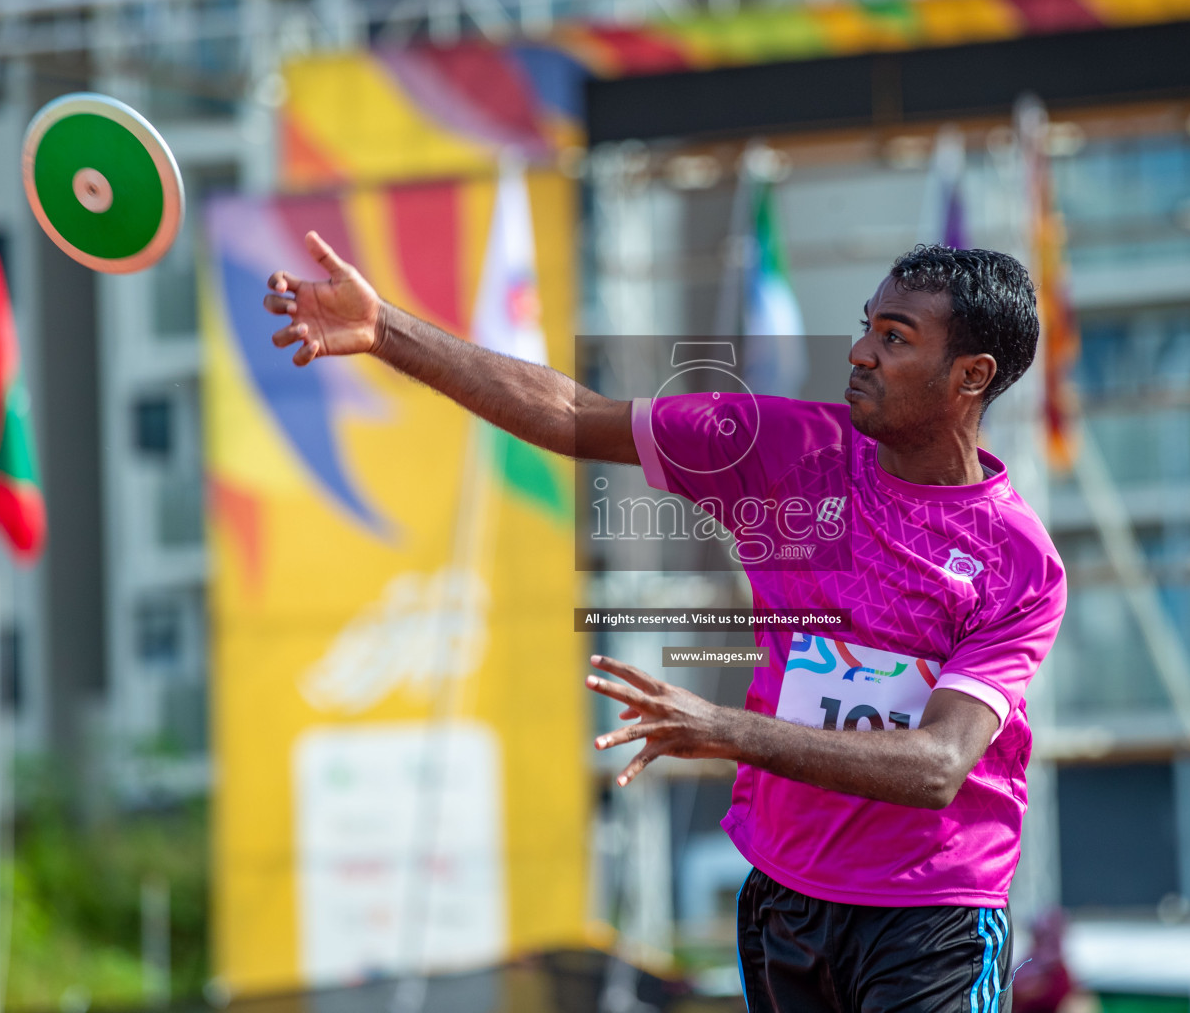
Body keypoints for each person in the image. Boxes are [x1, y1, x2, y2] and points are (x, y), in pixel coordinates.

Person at [263, 235, 1065, 1013]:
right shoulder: (787, 448)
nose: (859, 352)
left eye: (894, 338)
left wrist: (725, 729)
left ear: (971, 375)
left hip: (932, 911)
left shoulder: (1019, 564)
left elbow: (935, 766)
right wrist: (383, 330)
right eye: (865, 326)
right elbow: (574, 413)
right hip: (786, 895)